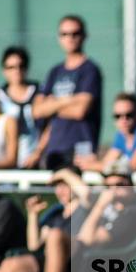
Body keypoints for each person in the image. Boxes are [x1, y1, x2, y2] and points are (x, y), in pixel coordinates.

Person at [33, 14, 103, 170]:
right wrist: (69, 100)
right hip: (55, 149)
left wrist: (53, 105)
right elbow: (37, 110)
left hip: (80, 150)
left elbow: (80, 111)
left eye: (75, 33)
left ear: (84, 36)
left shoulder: (90, 70)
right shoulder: (55, 71)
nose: (70, 38)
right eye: (64, 34)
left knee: (73, 185)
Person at [0, 46, 46, 168]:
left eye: (21, 66)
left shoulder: (40, 93)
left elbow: (51, 126)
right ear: (4, 70)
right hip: (7, 163)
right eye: (11, 67)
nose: (17, 71)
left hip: (37, 161)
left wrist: (38, 152)